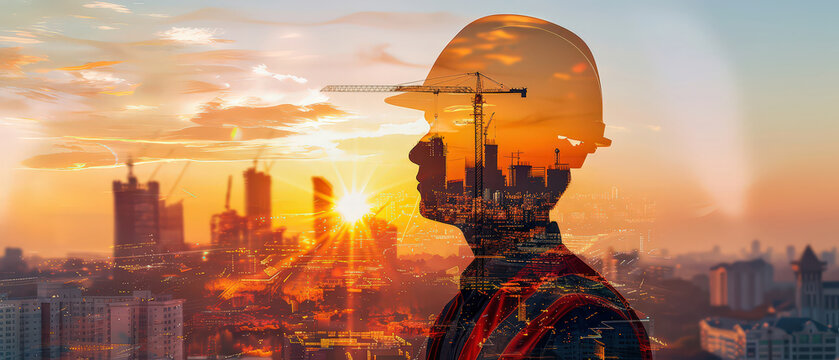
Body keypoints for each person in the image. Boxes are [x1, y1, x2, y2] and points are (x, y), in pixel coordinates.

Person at [387, 15, 653, 359]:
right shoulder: (470, 307)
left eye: (453, 126)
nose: (418, 151)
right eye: (431, 124)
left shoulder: (580, 325)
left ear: (533, 156)